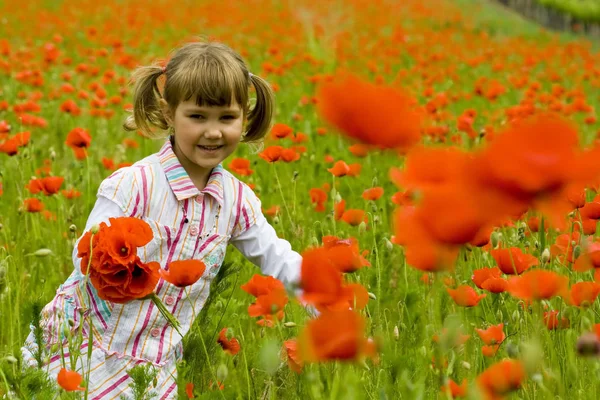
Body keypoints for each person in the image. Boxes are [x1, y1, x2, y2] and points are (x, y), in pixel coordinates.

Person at [21, 41, 302, 399]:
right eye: (197, 116)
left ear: (244, 118)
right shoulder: (133, 185)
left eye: (227, 118)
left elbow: (277, 257)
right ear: (169, 114)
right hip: (85, 346)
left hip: (153, 363)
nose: (213, 131)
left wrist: (325, 296)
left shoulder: (236, 202)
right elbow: (87, 255)